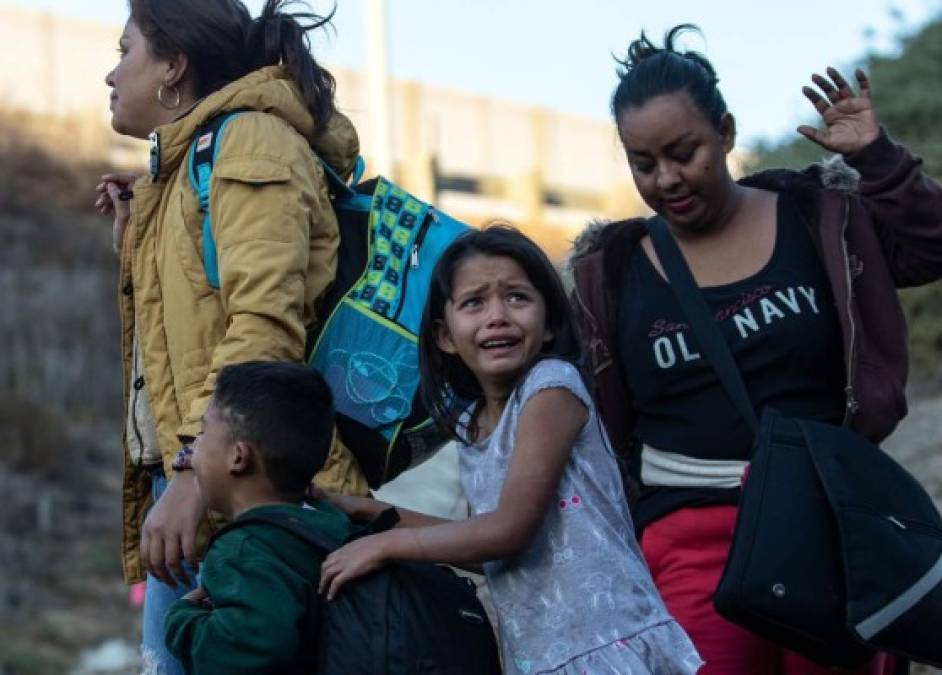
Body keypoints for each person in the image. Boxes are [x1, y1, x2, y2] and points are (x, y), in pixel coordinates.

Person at [568, 24, 942, 675]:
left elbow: (931, 244)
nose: (666, 178)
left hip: (828, 523)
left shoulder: (817, 215)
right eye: (643, 162)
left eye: (684, 152)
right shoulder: (613, 269)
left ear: (728, 132)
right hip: (688, 540)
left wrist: (880, 161)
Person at [93, 1, 368, 672]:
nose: (110, 74)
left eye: (125, 50)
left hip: (248, 493)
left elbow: (264, 325)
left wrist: (190, 474)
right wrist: (137, 228)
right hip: (210, 481)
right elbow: (187, 333)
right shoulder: (181, 174)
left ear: (173, 67)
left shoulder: (249, 143)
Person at [316, 226, 703, 674]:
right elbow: (485, 546)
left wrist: (388, 544)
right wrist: (369, 511)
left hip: (606, 644)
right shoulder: (471, 426)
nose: (497, 315)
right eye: (473, 302)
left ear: (551, 322)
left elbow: (509, 530)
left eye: (517, 297)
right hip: (542, 659)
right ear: (444, 335)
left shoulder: (551, 388)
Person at [162, 361, 351, 673]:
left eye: (203, 432)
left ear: (238, 457)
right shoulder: (327, 520)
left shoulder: (243, 549)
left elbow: (243, 653)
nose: (193, 449)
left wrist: (182, 620)